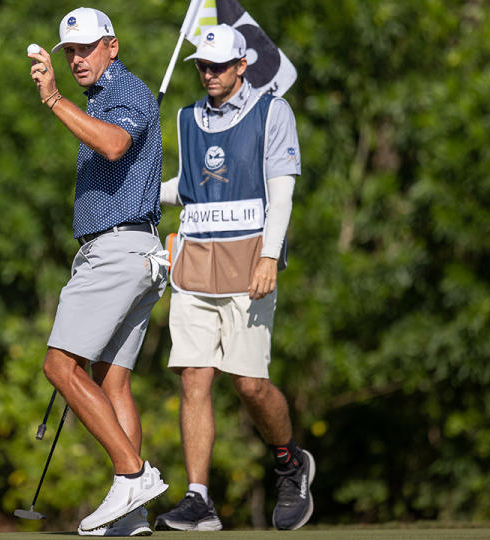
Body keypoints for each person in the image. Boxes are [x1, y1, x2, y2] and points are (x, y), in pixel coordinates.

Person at [152, 24, 315, 531]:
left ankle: (290, 463)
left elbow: (280, 191)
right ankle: (198, 498)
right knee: (194, 378)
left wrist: (270, 256)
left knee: (249, 385)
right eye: (202, 65)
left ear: (242, 66)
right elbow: (193, 186)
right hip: (195, 264)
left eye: (218, 66)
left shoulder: (272, 112)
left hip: (250, 266)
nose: (208, 74)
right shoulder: (185, 118)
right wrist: (139, 193)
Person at [27, 7, 170, 536]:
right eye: (70, 52)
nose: (77, 59)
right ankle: (132, 515)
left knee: (60, 367)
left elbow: (113, 144)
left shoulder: (123, 90)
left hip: (116, 251)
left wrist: (52, 98)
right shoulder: (102, 97)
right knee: (114, 381)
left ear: (112, 45)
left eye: (86, 48)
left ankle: (131, 475)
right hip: (130, 253)